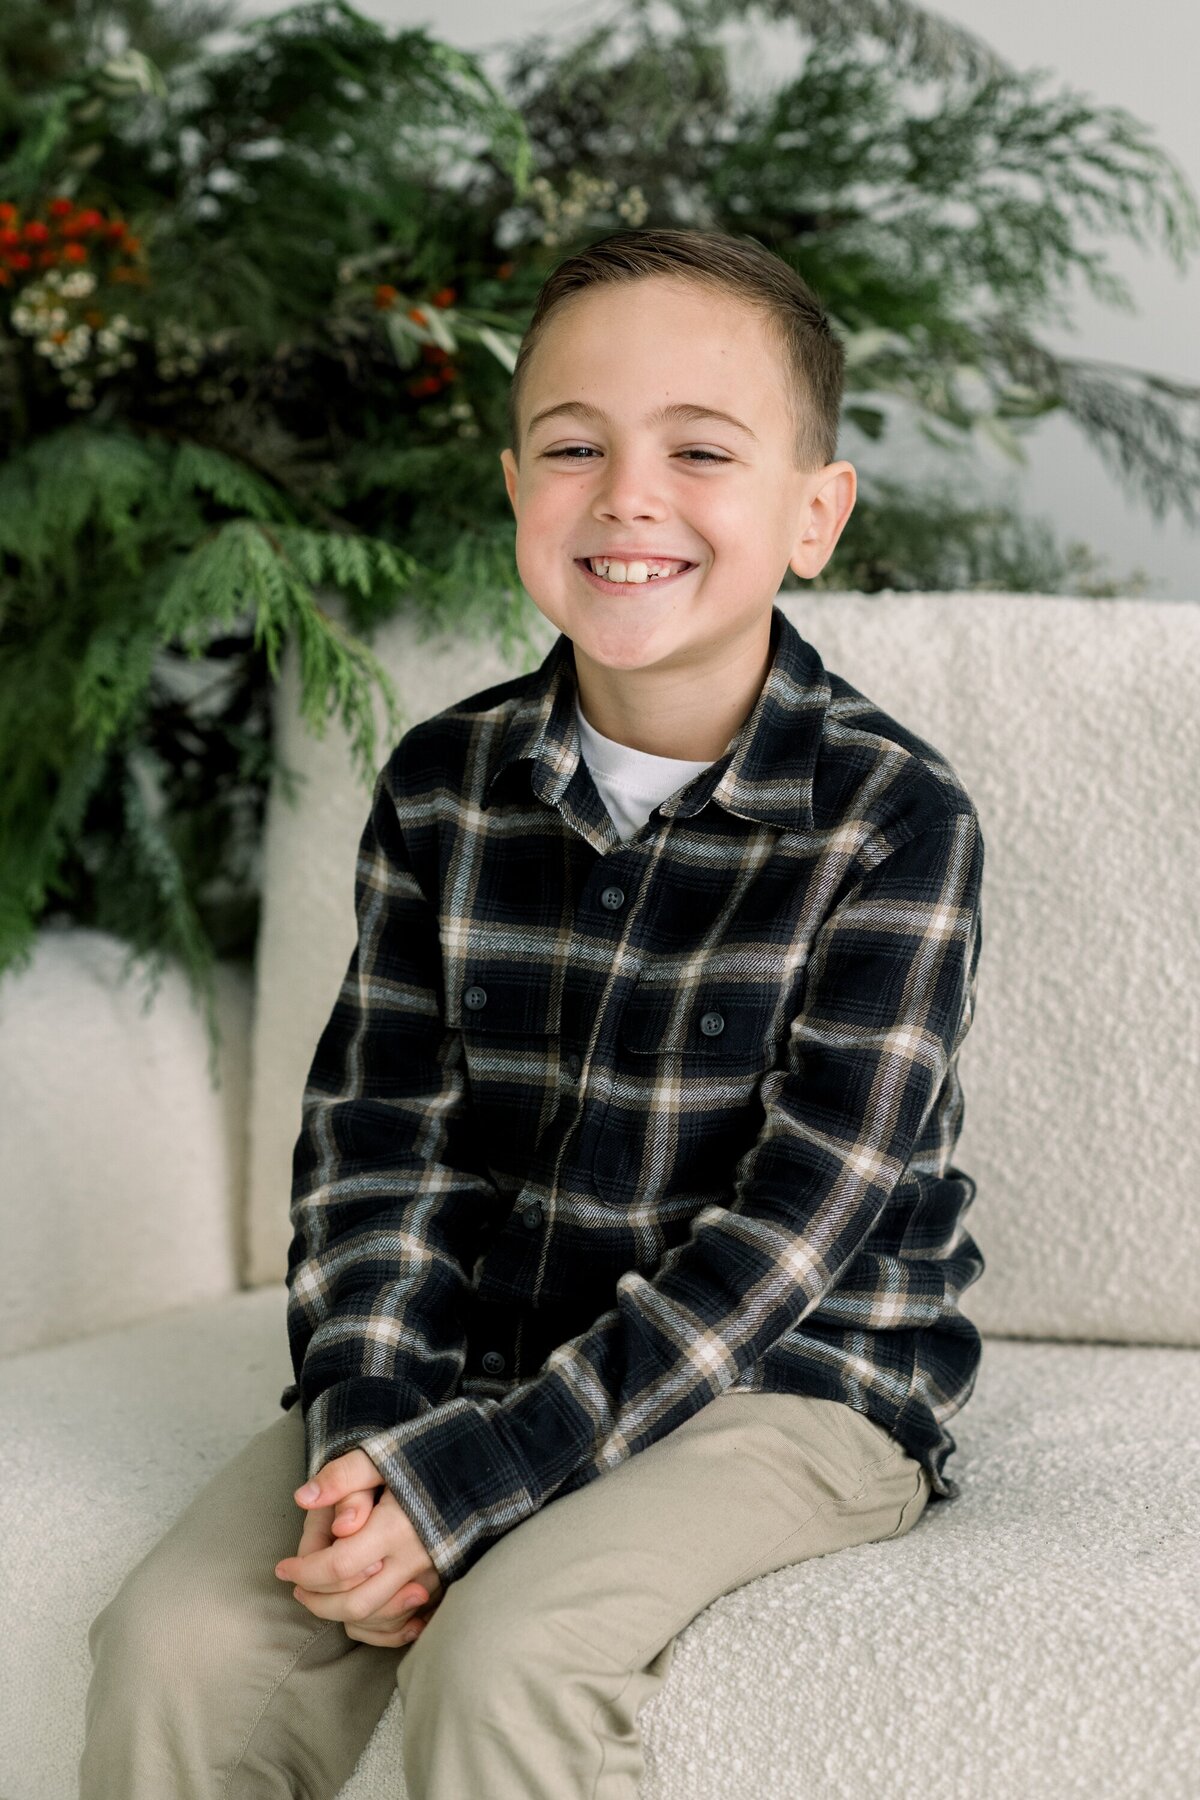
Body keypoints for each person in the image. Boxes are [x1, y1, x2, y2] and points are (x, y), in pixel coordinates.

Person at [80, 225, 986, 1799]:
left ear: (815, 515)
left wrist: (478, 1481)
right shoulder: (445, 784)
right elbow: (377, 1146)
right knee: (179, 1640)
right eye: (575, 447)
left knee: (510, 1654)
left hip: (787, 1377)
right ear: (517, 490)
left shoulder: (896, 822)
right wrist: (370, 1429)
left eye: (701, 450)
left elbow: (794, 1233)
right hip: (488, 1338)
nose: (628, 495)